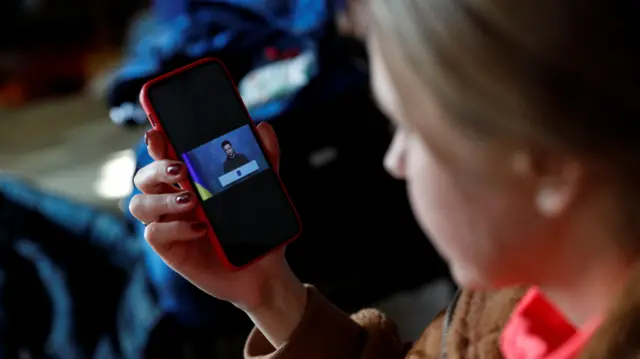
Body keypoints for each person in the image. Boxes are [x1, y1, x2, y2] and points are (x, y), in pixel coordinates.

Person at [128, 0, 640, 357]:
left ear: (549, 163)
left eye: (409, 129)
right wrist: (267, 293)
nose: (394, 161)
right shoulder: (508, 304)